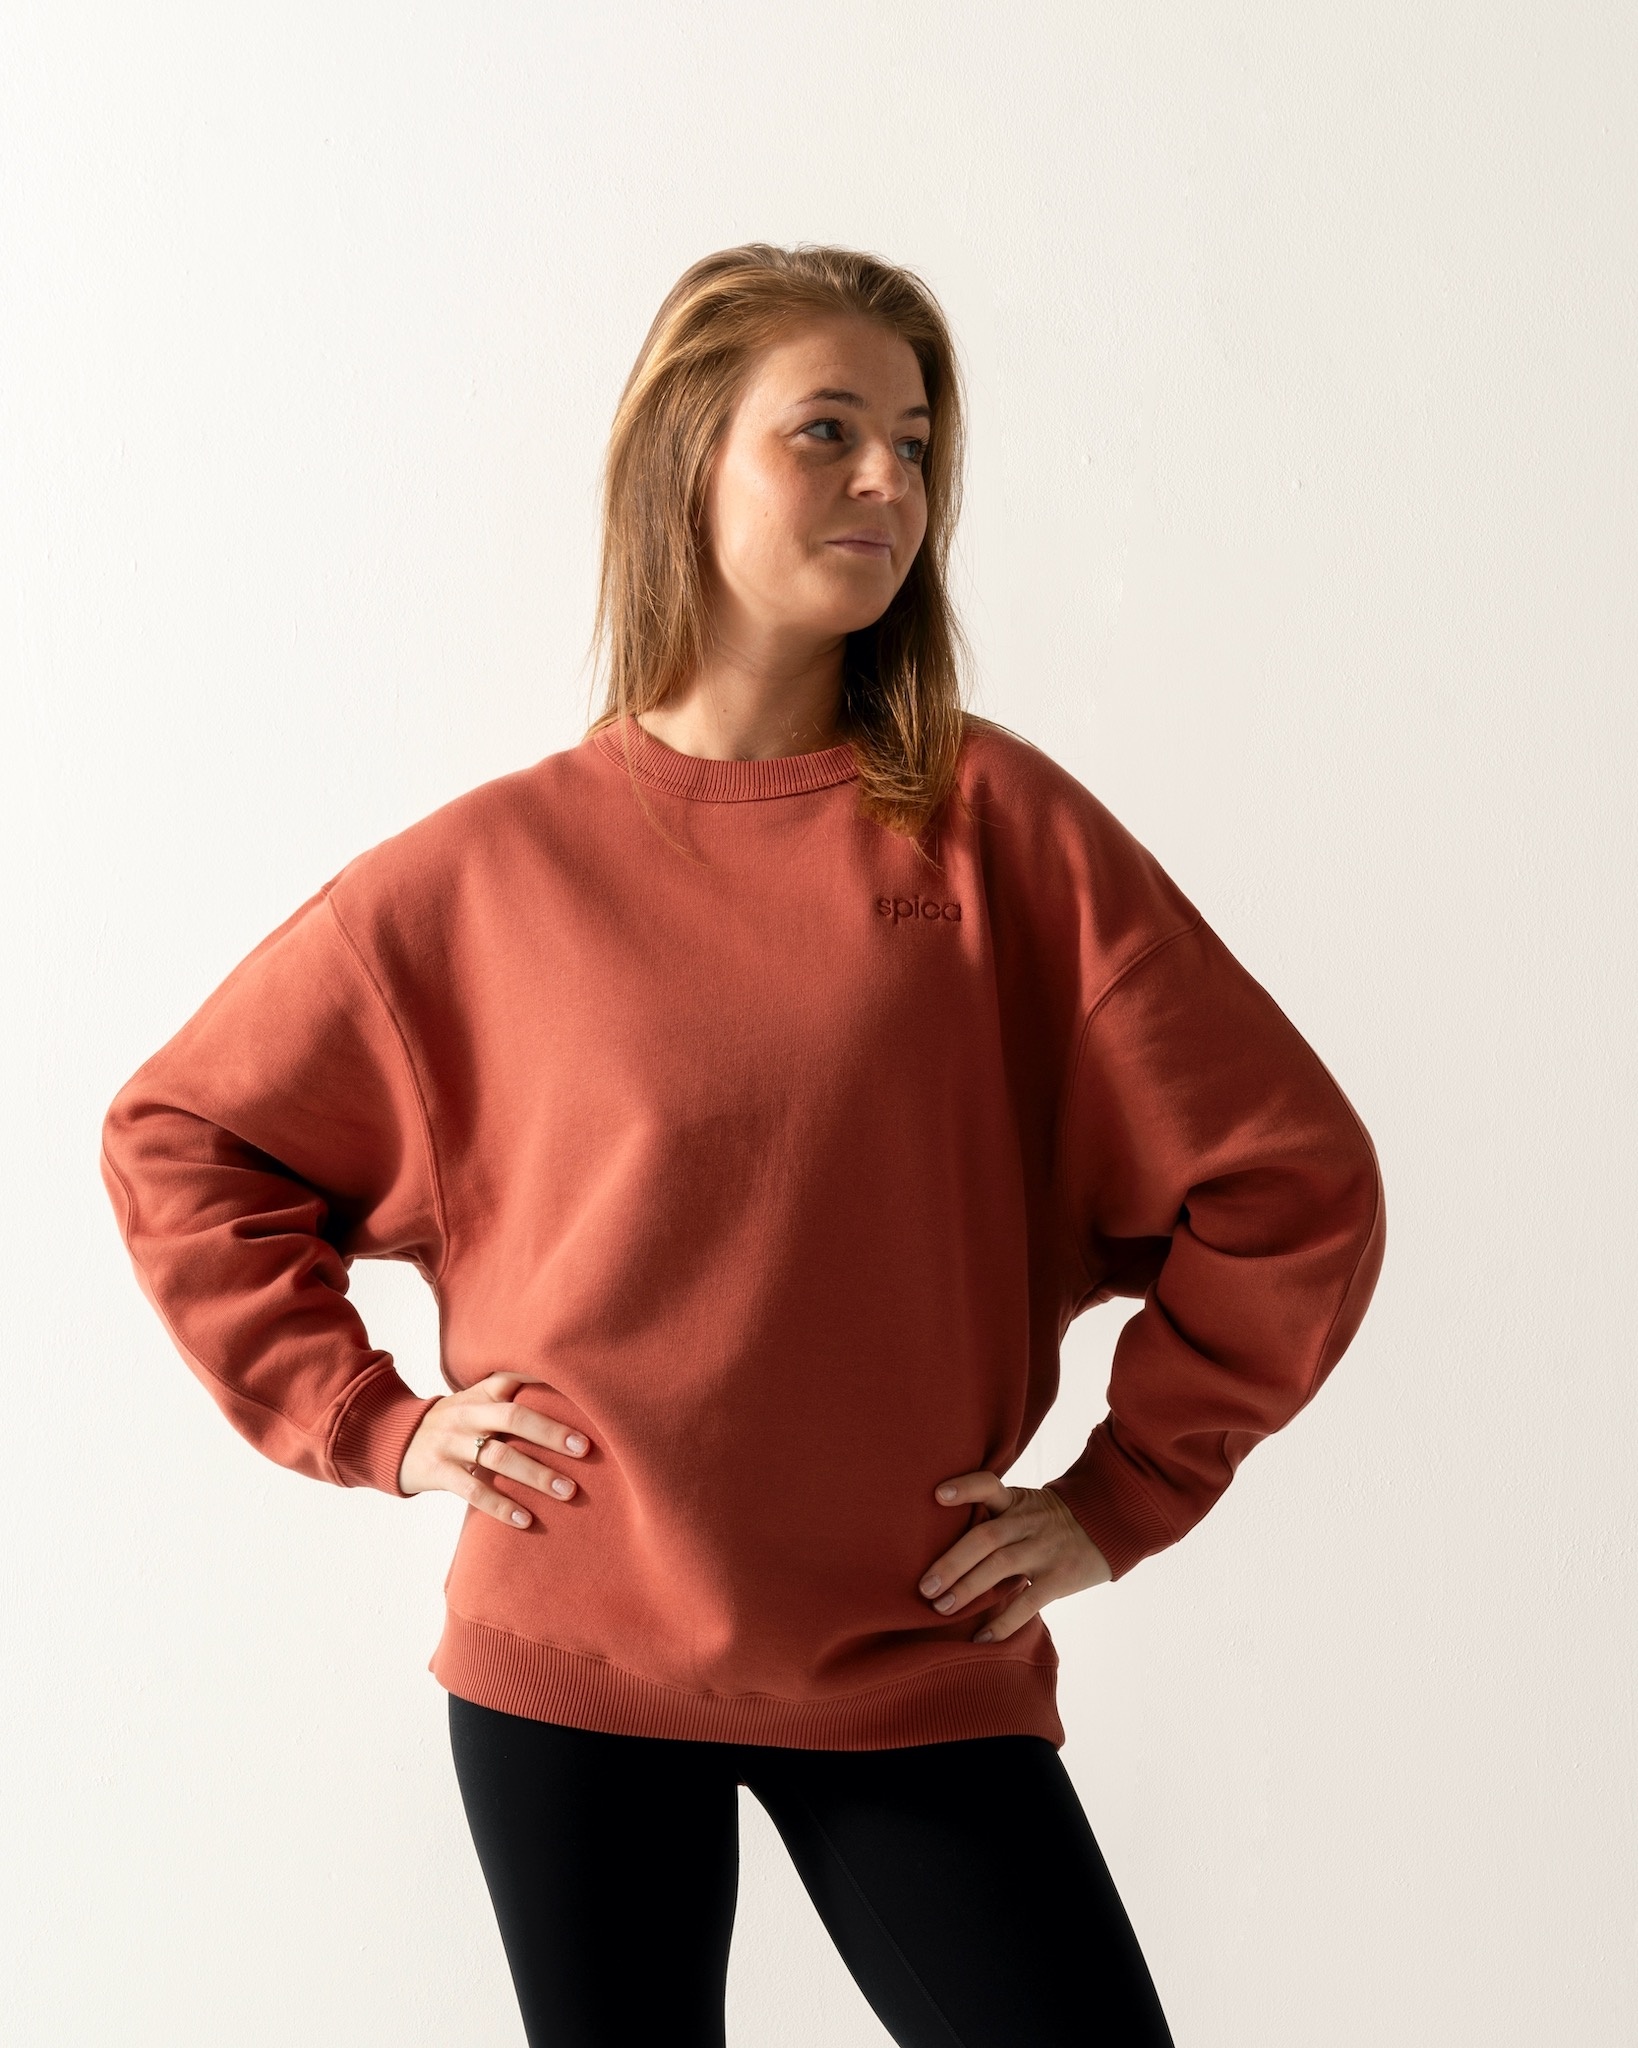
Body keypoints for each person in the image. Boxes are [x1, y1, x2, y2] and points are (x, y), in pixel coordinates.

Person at [100, 242, 1385, 2047]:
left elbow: (1292, 1179)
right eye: (827, 431)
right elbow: (183, 1136)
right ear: (684, 463)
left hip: (909, 1654)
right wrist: (374, 1422)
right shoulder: (489, 874)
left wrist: (1125, 1495)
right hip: (569, 1672)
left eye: (915, 443)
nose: (887, 483)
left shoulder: (997, 833)